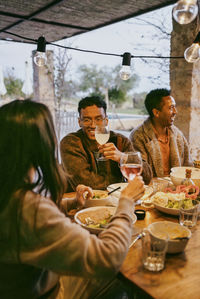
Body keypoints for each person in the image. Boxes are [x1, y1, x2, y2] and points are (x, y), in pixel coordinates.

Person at [0, 99, 145, 299]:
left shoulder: (9, 187)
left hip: (36, 279)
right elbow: (108, 258)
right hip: (48, 292)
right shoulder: (28, 208)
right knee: (131, 272)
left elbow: (34, 216)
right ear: (39, 143)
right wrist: (126, 203)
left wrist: (70, 203)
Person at [60, 96, 152, 191]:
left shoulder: (120, 140)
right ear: (80, 122)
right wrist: (119, 182)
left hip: (117, 200)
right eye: (87, 120)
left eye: (98, 119)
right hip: (85, 203)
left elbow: (147, 178)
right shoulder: (71, 142)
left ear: (106, 121)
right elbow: (86, 183)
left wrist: (122, 158)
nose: (93, 125)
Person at [129, 88, 193, 177]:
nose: (175, 112)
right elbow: (141, 174)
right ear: (156, 112)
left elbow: (189, 166)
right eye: (171, 108)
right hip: (151, 189)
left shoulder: (177, 134)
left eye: (175, 107)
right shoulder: (138, 136)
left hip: (178, 188)